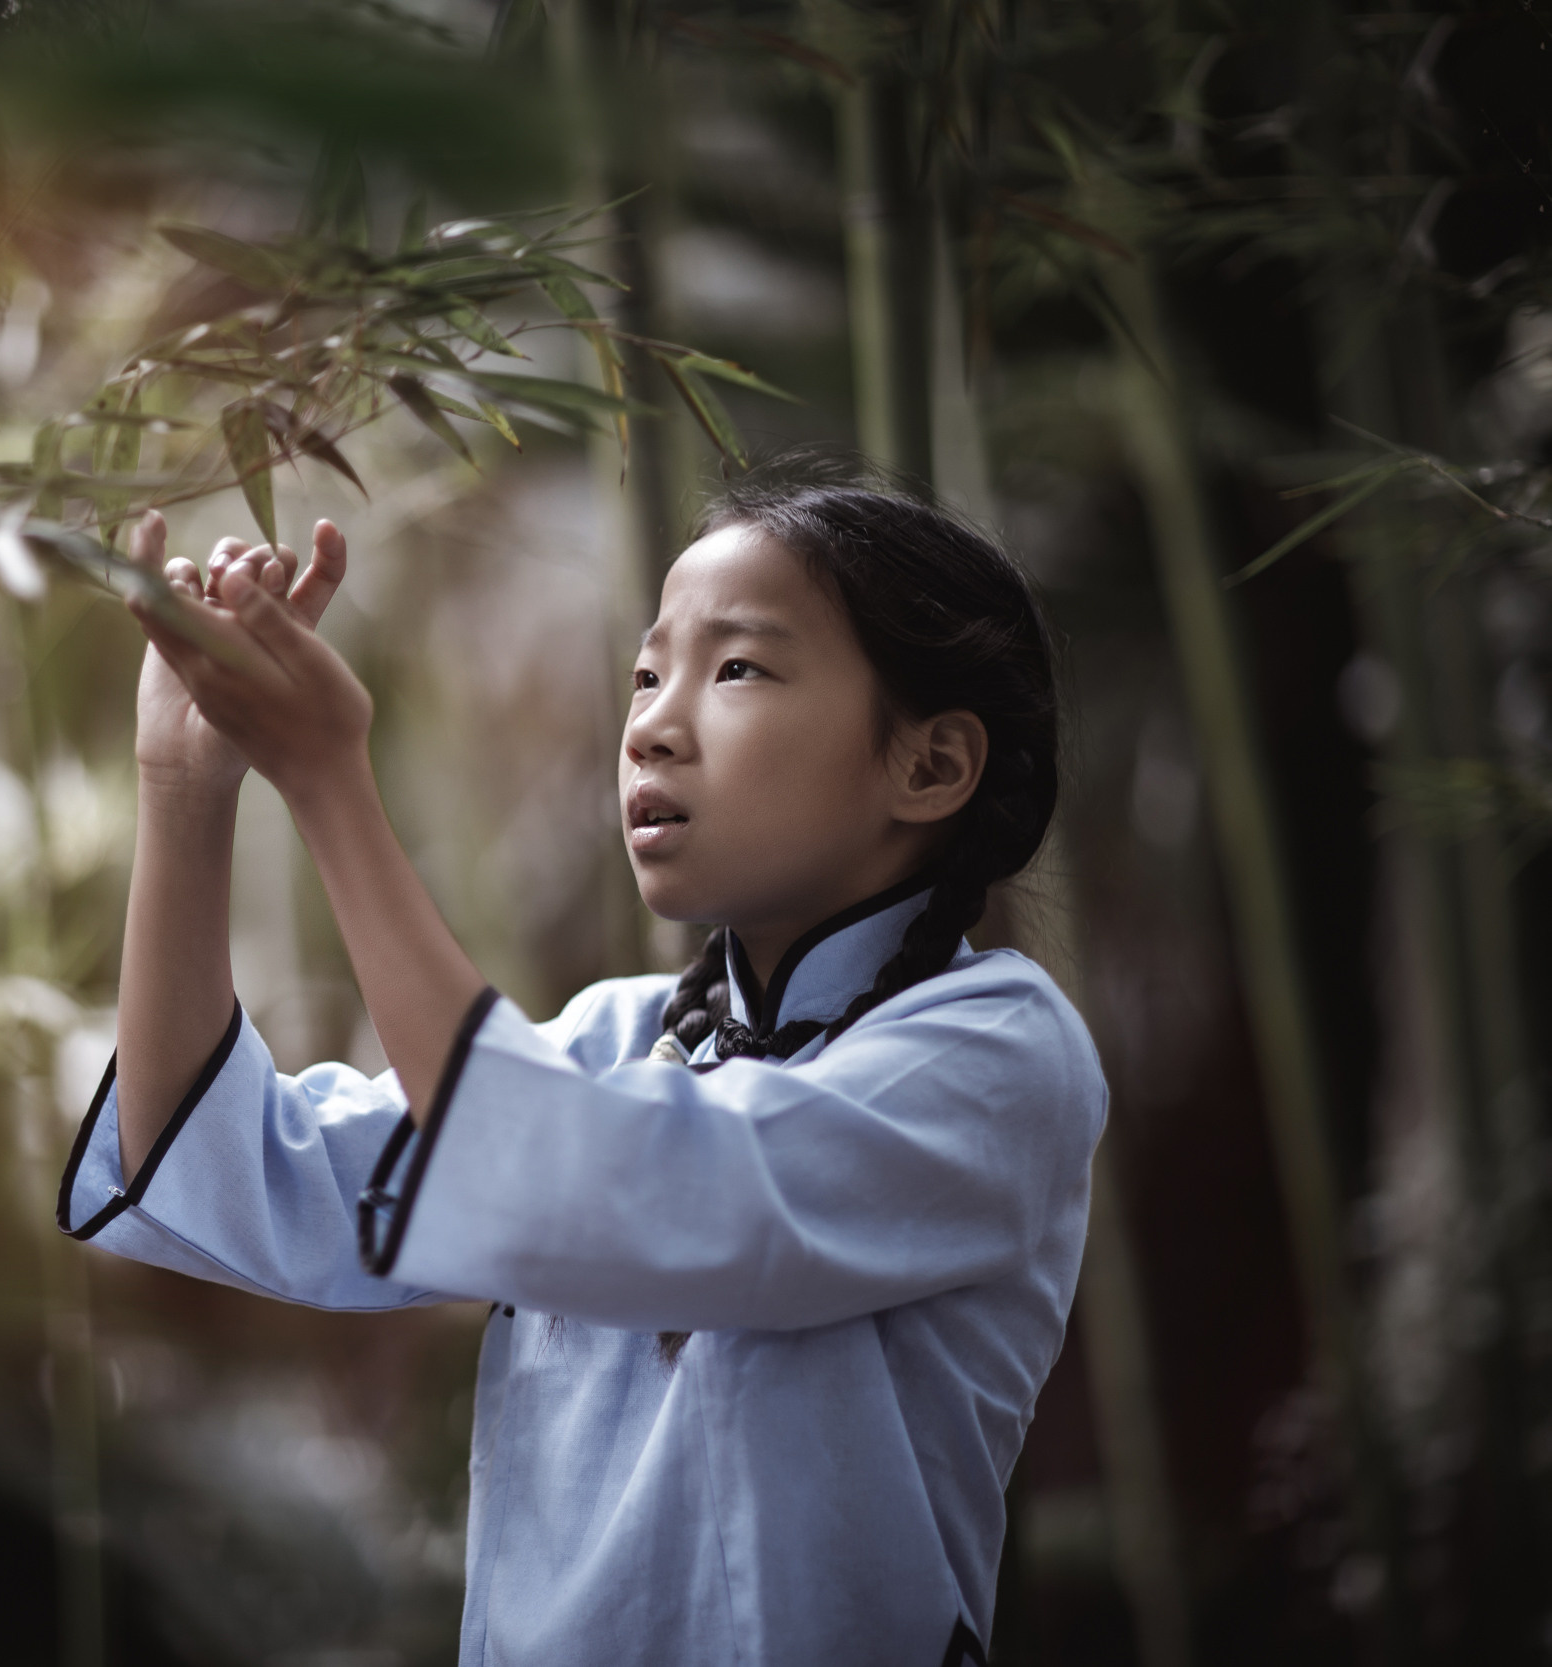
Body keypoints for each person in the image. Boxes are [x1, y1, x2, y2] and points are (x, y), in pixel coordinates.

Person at [56, 456, 1106, 1666]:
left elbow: (625, 1188)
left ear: (928, 764)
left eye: (739, 668)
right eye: (648, 671)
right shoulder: (614, 1038)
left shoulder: (996, 1053)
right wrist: (184, 790)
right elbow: (232, 1171)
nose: (653, 724)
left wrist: (334, 785)